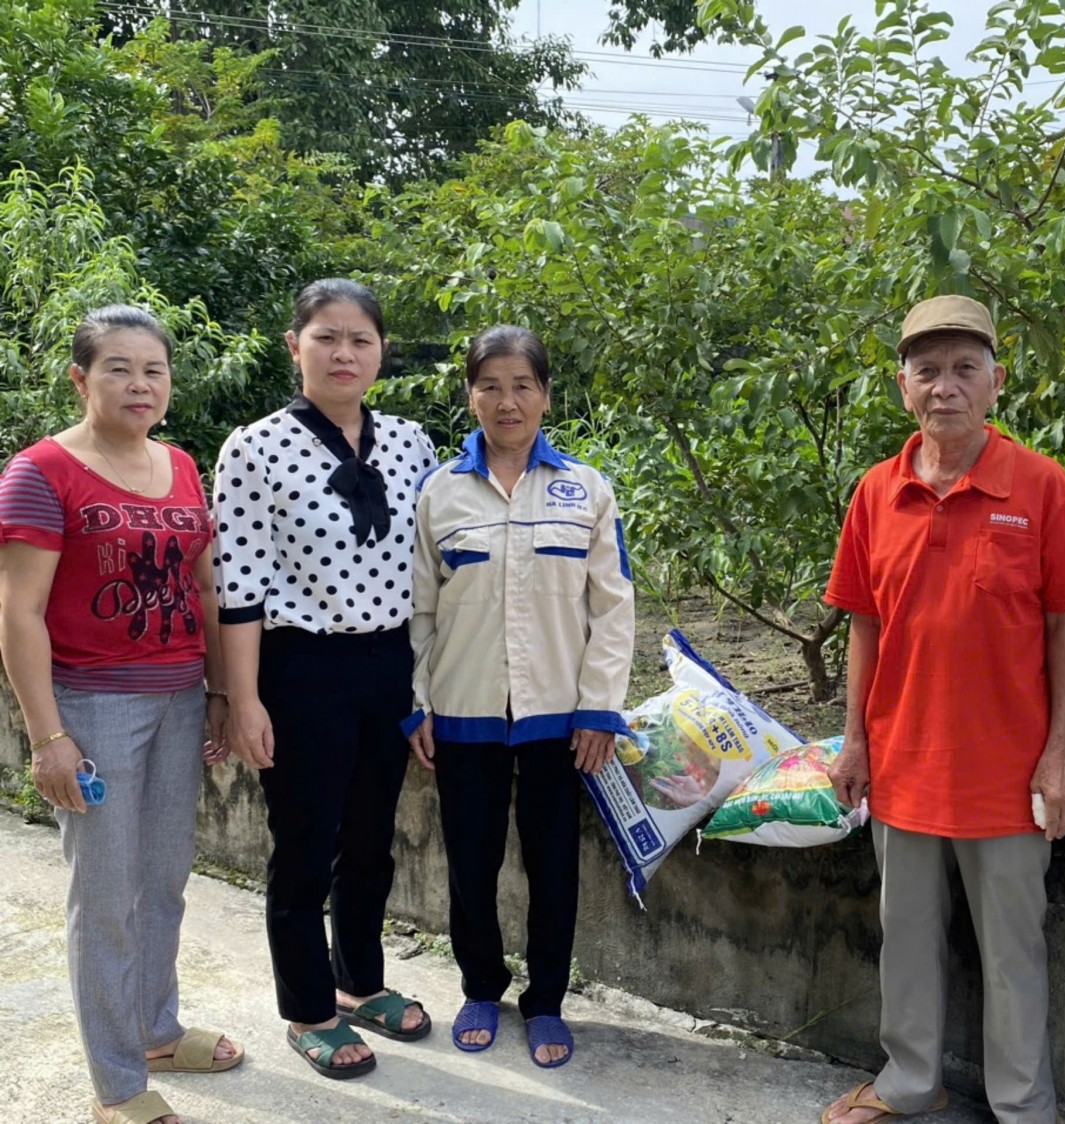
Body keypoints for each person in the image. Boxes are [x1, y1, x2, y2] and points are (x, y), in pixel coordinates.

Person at [822, 295, 1065, 1124]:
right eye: (927, 370)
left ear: (996, 383)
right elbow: (864, 626)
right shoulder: (878, 492)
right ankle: (910, 1081)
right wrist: (854, 742)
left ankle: (1024, 1105)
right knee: (905, 939)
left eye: (963, 369)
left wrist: (1060, 757)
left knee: (1014, 948)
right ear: (903, 386)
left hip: (1009, 769)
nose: (945, 386)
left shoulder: (1043, 487)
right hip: (904, 758)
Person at [0, 305, 242, 1124]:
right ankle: (117, 1085)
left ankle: (155, 1030)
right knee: (104, 895)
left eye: (154, 371)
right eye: (118, 368)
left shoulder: (180, 465)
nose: (140, 384)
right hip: (92, 705)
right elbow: (19, 612)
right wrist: (47, 737)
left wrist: (218, 690)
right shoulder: (40, 471)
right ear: (79, 377)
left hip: (179, 699)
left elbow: (204, 587)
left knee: (164, 878)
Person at [214, 278, 437, 1079]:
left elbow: (430, 576)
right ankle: (308, 1007)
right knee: (305, 846)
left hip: (389, 667)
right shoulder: (255, 447)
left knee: (372, 841)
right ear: (295, 345)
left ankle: (358, 981)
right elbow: (236, 585)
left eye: (361, 340)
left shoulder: (412, 443)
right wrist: (242, 700)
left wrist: (425, 692)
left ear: (381, 352)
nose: (345, 354)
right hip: (300, 667)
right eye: (327, 337)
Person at [405, 324, 634, 1067]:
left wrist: (599, 707)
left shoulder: (585, 489)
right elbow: (419, 610)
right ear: (470, 394)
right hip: (462, 710)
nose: (508, 401)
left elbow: (613, 607)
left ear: (545, 395)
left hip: (558, 719)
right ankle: (480, 985)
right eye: (491, 385)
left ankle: (546, 1001)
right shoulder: (438, 493)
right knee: (470, 861)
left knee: (553, 865)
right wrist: (417, 703)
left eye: (522, 385)